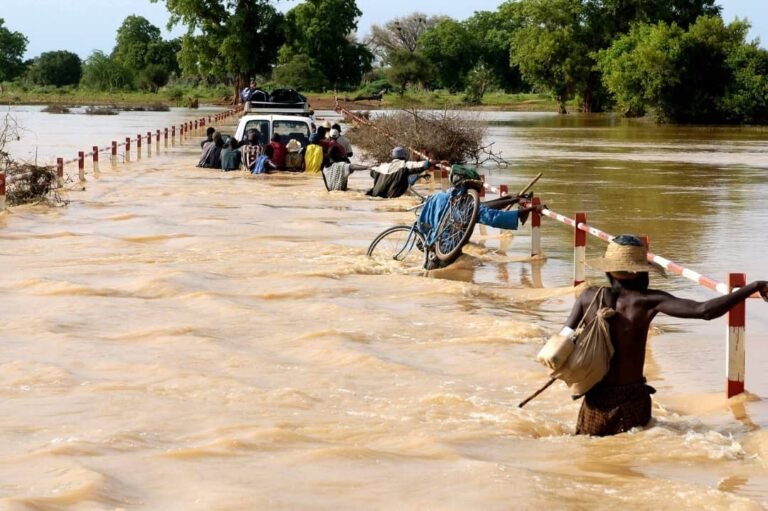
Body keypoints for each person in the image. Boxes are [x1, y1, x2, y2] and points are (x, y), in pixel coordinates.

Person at [560, 234, 768, 437]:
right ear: (642, 270)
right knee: (631, 460)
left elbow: (562, 341)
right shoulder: (648, 301)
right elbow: (704, 310)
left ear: (609, 269)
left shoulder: (587, 296)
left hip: (594, 399)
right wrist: (753, 287)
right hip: (631, 400)